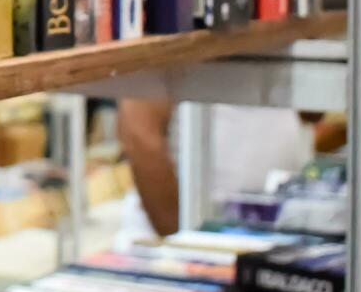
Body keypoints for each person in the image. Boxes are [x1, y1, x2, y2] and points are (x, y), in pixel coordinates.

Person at [115, 101, 310, 245]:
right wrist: (180, 237)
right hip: (186, 240)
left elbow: (312, 112)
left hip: (268, 228)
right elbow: (140, 136)